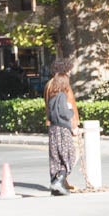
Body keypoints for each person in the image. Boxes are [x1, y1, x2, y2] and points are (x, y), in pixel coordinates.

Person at [44, 58, 81, 196]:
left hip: (53, 124)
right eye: (69, 69)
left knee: (55, 156)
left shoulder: (49, 85)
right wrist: (74, 125)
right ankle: (60, 180)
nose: (71, 72)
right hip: (65, 125)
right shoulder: (64, 87)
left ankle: (57, 183)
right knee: (70, 154)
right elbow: (68, 106)